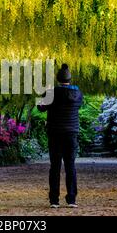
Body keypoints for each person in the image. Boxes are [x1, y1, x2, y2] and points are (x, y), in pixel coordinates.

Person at [37, 63, 83, 208]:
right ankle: (71, 200)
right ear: (69, 78)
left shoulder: (51, 93)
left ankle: (54, 201)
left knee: (55, 167)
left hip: (55, 133)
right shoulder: (78, 93)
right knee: (70, 166)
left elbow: (40, 107)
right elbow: (78, 106)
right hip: (71, 133)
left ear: (57, 78)